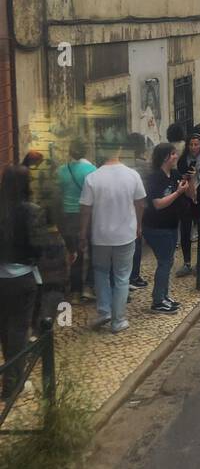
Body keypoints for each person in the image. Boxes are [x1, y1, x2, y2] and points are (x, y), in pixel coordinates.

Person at [78, 140, 146, 334]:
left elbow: (85, 210)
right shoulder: (132, 175)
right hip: (125, 234)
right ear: (120, 150)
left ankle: (104, 311)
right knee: (122, 277)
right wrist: (139, 225)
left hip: (100, 236)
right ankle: (118, 320)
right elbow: (140, 203)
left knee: (100, 273)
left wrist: (82, 234)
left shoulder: (92, 177)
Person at [0, 165, 49, 402]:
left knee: (6, 330)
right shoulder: (32, 210)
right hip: (23, 277)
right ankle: (12, 384)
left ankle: (11, 375)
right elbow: (39, 246)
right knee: (19, 329)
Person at [142, 143, 193, 311]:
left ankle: (163, 296)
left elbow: (191, 195)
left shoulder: (175, 174)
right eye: (173, 154)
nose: (176, 156)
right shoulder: (155, 178)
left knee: (168, 261)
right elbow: (157, 204)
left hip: (171, 225)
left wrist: (189, 182)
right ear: (165, 157)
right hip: (156, 227)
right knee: (165, 262)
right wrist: (177, 193)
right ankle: (157, 301)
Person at [56, 139, 96, 300]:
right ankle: (89, 286)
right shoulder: (91, 169)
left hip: (68, 216)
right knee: (93, 250)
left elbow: (58, 194)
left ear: (70, 152)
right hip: (88, 214)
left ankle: (75, 291)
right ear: (85, 151)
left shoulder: (61, 170)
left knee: (75, 253)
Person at [176, 132, 200, 274]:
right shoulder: (182, 161)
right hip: (186, 200)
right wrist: (186, 177)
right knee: (185, 231)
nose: (193, 147)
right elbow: (180, 180)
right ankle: (186, 262)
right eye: (190, 144)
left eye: (196, 144)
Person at [125, 132, 150, 290]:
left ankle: (126, 275)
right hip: (139, 206)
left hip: (123, 207)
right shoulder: (144, 165)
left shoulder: (122, 164)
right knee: (136, 241)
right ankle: (134, 275)